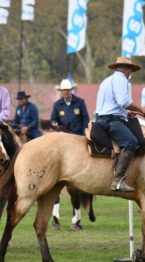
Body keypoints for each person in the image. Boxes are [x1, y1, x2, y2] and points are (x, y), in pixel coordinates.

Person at [95, 57, 145, 192]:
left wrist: (126, 114)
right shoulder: (121, 80)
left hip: (104, 117)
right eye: (131, 70)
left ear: (116, 68)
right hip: (110, 120)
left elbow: (114, 104)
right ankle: (118, 180)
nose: (130, 73)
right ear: (128, 70)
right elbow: (124, 102)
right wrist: (141, 110)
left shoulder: (107, 80)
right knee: (131, 141)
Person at [51, 78, 90, 229]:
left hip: (78, 139)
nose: (65, 93)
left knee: (76, 186)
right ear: (60, 91)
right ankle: (55, 219)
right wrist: (54, 123)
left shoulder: (80, 102)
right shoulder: (57, 105)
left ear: (71, 90)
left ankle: (76, 219)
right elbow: (54, 119)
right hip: (62, 140)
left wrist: (83, 134)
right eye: (63, 90)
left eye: (67, 90)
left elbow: (85, 119)